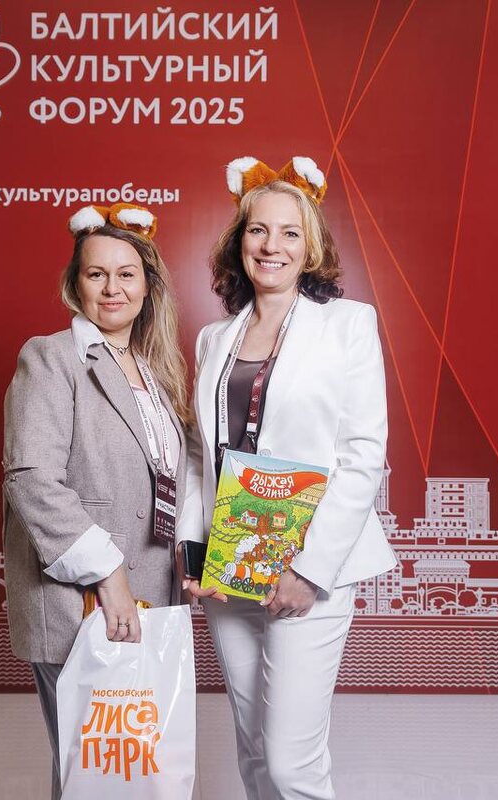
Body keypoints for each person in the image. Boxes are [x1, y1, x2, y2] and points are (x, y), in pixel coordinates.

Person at [178, 156, 397, 799]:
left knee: (291, 762)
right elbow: (199, 455)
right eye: (258, 230)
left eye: (289, 232)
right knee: (252, 751)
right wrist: (194, 553)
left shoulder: (349, 325)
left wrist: (310, 569)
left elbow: (363, 453)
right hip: (231, 559)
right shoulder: (214, 338)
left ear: (311, 247)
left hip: (308, 563)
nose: (271, 245)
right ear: (239, 241)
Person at [2, 202, 189, 800]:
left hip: (151, 595)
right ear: (75, 283)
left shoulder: (155, 373)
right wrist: (107, 574)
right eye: (96, 273)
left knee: (130, 770)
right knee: (89, 770)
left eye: (127, 274)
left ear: (147, 285)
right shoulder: (51, 357)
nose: (113, 288)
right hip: (80, 597)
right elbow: (32, 478)